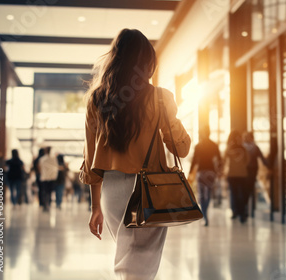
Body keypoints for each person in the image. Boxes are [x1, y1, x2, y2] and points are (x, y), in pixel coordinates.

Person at [80, 28, 191, 280]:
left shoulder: (97, 100)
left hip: (111, 192)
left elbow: (90, 161)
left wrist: (95, 206)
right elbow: (181, 148)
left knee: (127, 256)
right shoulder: (161, 98)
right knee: (141, 261)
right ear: (147, 62)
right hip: (151, 189)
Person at [189, 127, 221, 226]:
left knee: (202, 195)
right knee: (208, 194)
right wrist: (219, 171)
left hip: (201, 172)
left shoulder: (198, 146)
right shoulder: (214, 145)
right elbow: (219, 159)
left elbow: (194, 160)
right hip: (211, 172)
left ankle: (204, 215)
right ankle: (205, 212)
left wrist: (190, 173)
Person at [223, 130, 249, 223]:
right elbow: (247, 161)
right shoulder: (240, 148)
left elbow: (224, 160)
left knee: (238, 194)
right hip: (235, 174)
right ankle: (238, 212)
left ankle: (239, 212)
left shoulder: (231, 148)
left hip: (239, 174)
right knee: (236, 194)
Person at [242, 132, 268, 218]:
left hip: (244, 173)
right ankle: (245, 207)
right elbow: (263, 159)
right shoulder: (255, 148)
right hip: (251, 172)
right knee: (248, 190)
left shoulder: (243, 148)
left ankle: (244, 208)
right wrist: (269, 165)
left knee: (245, 191)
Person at [38, 146, 59, 212]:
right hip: (52, 178)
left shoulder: (42, 159)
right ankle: (48, 204)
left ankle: (45, 204)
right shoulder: (54, 159)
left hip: (44, 177)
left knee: (45, 191)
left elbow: (39, 168)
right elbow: (56, 168)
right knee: (50, 192)